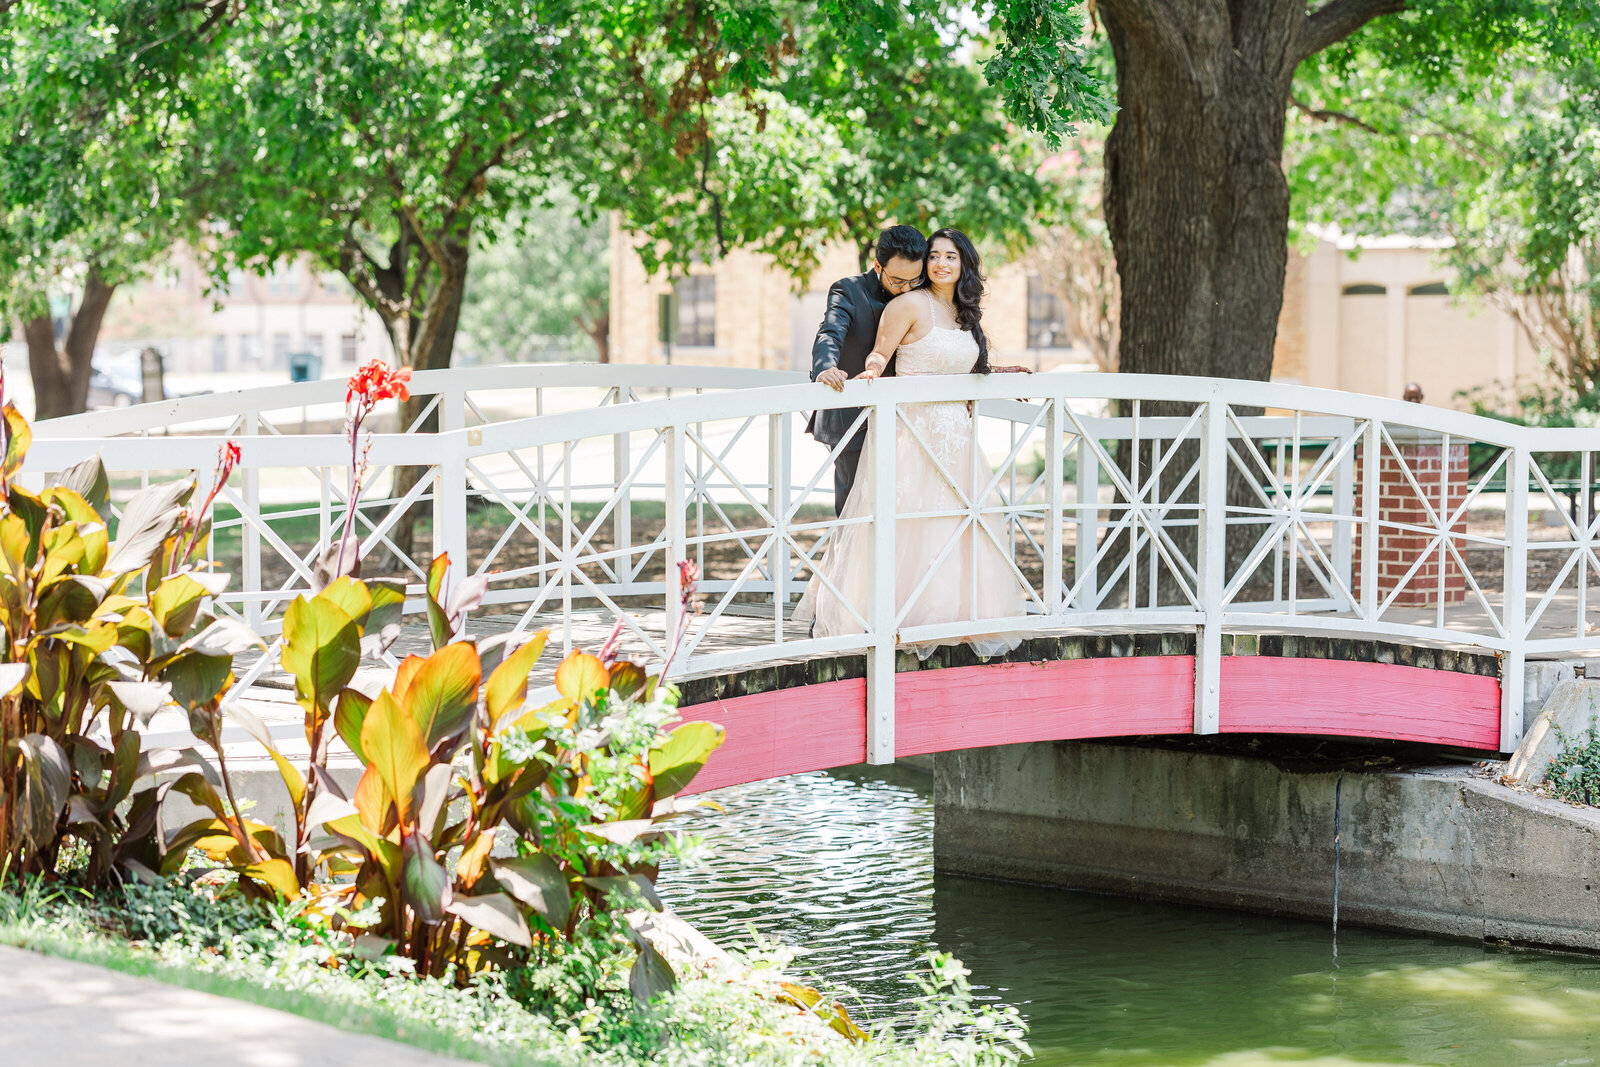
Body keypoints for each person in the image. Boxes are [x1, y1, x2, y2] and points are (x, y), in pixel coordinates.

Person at [799, 227, 1031, 658]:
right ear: (879, 266)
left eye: (949, 258)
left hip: (950, 436)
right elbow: (836, 336)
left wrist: (999, 376)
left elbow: (958, 367)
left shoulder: (962, 312)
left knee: (950, 523)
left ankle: (949, 613)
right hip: (871, 420)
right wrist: (835, 370)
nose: (934, 268)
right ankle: (847, 616)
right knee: (862, 520)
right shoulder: (857, 292)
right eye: (933, 258)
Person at [808, 225, 928, 515]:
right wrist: (826, 368)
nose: (908, 289)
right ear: (877, 265)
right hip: (853, 419)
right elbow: (829, 333)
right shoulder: (848, 290)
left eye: (915, 280)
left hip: (908, 420)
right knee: (855, 509)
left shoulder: (922, 294)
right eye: (898, 281)